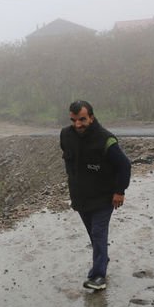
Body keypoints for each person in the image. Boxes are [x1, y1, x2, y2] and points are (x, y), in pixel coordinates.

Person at [60, 100, 131, 290]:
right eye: (74, 120)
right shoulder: (66, 135)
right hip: (80, 197)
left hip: (103, 198)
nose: (78, 125)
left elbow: (124, 166)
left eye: (82, 119)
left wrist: (119, 191)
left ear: (91, 117)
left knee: (99, 233)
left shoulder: (105, 139)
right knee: (94, 234)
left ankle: (98, 276)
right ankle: (103, 257)